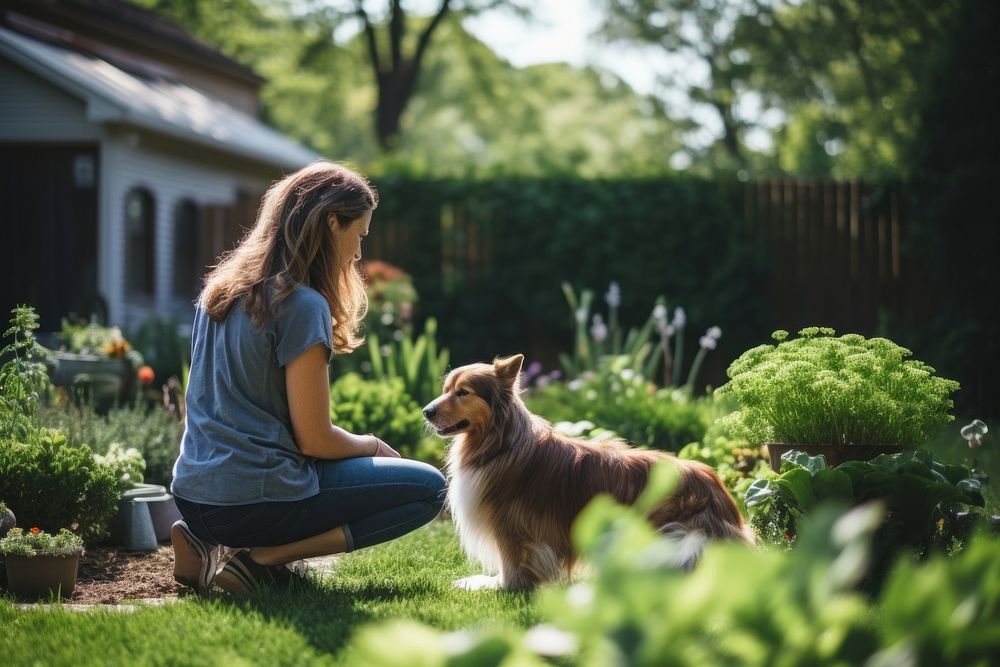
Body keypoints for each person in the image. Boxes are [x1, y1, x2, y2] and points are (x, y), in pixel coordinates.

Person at [169, 161, 446, 597]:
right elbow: (315, 440)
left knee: (301, 475)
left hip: (193, 494)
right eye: (359, 234)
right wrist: (372, 445)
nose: (358, 253)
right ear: (332, 222)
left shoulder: (218, 292)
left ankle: (204, 540)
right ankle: (259, 561)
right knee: (429, 488)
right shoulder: (300, 304)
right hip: (256, 501)